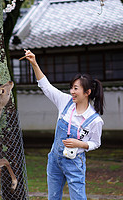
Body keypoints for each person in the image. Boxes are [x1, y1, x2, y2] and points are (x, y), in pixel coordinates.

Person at [24, 49, 104, 200]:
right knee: (53, 197)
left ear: (87, 92)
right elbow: (46, 86)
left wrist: (80, 144)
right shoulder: (65, 102)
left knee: (78, 198)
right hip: (54, 160)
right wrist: (34, 63)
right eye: (71, 87)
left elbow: (96, 143)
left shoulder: (95, 120)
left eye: (76, 88)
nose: (72, 92)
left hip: (74, 164)